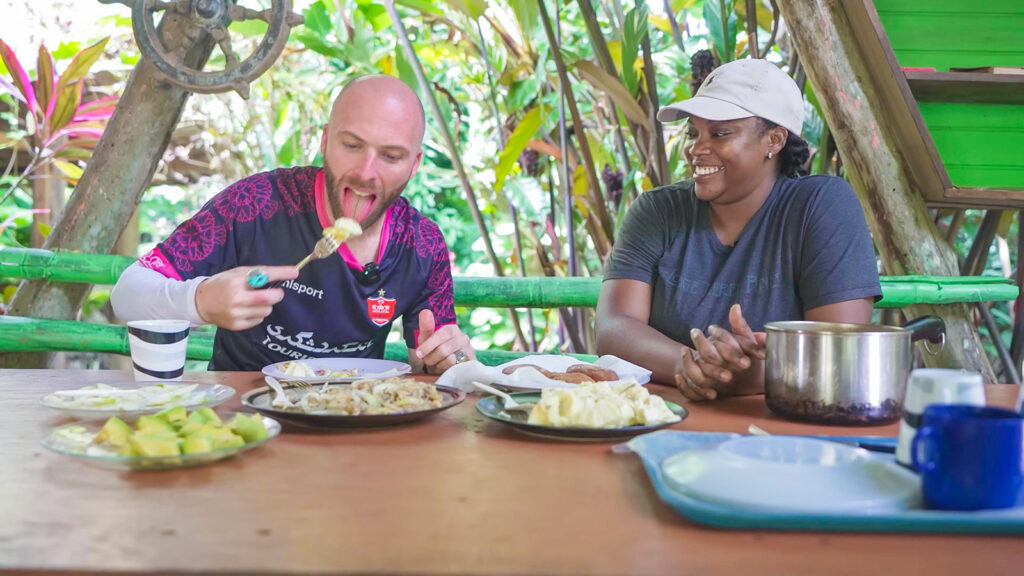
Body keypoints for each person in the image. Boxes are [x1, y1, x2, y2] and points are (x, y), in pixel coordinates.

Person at [111, 75, 474, 374]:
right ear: (325, 140)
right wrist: (200, 300)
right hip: (243, 419)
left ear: (414, 165)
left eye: (391, 156)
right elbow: (126, 294)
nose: (366, 173)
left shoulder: (422, 245)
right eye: (351, 146)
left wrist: (449, 360)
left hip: (357, 422)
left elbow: (430, 367)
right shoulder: (256, 204)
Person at [596, 58, 881, 402]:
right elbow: (613, 328)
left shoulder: (820, 206)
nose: (696, 148)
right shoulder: (658, 211)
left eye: (719, 133)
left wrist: (750, 376)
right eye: (693, 133)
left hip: (782, 432)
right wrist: (695, 366)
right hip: (662, 420)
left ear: (773, 140)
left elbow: (836, 350)